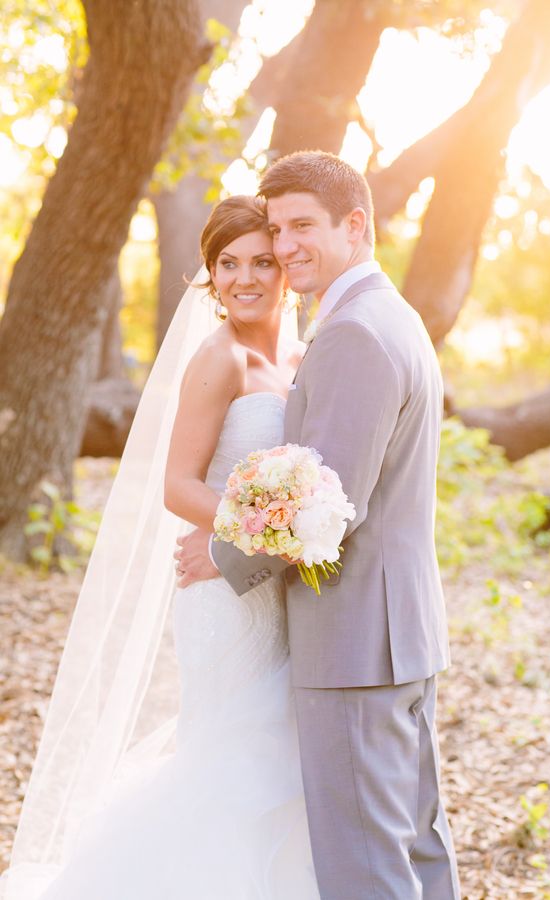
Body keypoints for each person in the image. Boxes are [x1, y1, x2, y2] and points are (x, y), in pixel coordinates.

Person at [0, 195, 319, 899]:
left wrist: (288, 537)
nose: (245, 278)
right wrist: (266, 533)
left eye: (261, 261)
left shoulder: (305, 355)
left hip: (286, 589)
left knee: (283, 752)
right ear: (208, 276)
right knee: (231, 754)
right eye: (226, 264)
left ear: (286, 268)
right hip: (223, 596)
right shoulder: (218, 359)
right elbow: (177, 486)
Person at [177, 152, 461, 899]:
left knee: (365, 863)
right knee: (413, 843)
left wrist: (227, 554)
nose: (288, 244)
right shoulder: (387, 315)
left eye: (303, 225)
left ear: (355, 225)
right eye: (279, 228)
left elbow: (327, 508)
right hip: (395, 632)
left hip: (355, 638)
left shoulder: (352, 334)